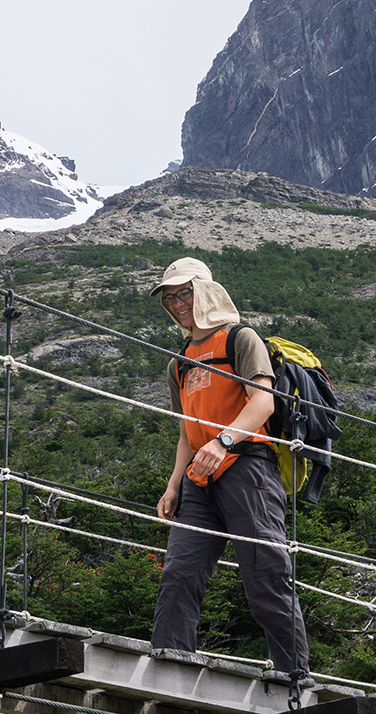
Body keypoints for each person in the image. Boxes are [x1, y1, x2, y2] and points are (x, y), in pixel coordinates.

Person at [148, 257, 310, 682]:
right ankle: (170, 666)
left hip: (247, 468)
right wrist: (173, 485)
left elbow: (263, 402)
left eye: (185, 293)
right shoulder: (178, 362)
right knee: (180, 572)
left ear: (205, 291)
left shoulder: (241, 338)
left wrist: (223, 443)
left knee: (265, 573)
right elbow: (186, 430)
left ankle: (295, 676)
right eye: (170, 297)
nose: (178, 303)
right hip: (198, 478)